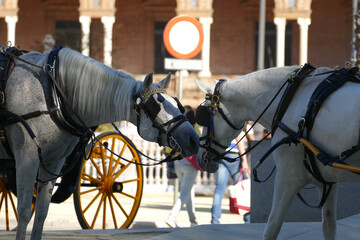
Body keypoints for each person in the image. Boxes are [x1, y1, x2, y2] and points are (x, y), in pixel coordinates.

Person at [165, 106, 202, 228]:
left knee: (188, 192)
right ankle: (172, 217)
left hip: (177, 163)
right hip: (190, 165)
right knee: (185, 192)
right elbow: (200, 146)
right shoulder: (195, 129)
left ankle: (193, 220)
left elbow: (168, 147)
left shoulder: (180, 129)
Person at [211, 126, 250, 224]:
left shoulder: (223, 123)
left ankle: (215, 219)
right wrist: (244, 160)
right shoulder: (237, 122)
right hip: (234, 156)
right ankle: (248, 218)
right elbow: (239, 140)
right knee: (242, 188)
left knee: (219, 188)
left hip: (222, 155)